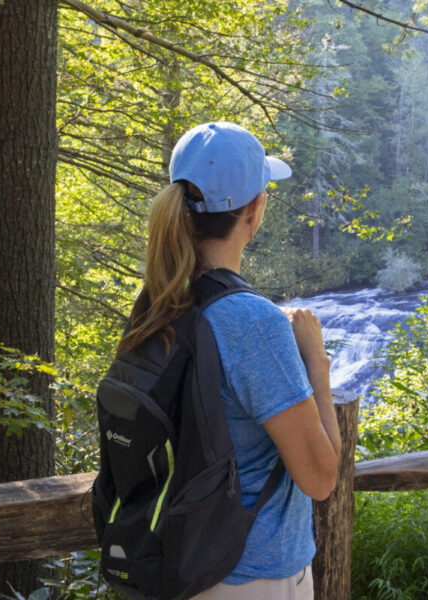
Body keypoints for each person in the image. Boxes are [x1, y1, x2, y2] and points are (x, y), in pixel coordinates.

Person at [116, 122, 342, 600]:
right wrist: (315, 362)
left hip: (177, 565)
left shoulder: (157, 301)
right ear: (255, 212)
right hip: (252, 578)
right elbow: (321, 479)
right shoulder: (251, 322)